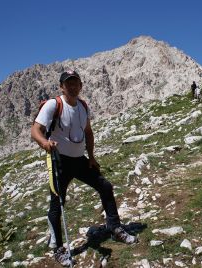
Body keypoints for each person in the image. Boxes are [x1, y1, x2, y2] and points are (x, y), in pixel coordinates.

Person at [31, 70, 137, 266]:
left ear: (80, 86)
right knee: (57, 205)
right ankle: (59, 249)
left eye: (75, 83)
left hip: (79, 160)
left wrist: (92, 157)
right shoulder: (54, 105)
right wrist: (44, 143)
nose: (72, 86)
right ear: (62, 86)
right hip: (59, 161)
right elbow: (35, 130)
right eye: (68, 83)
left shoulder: (82, 106)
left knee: (105, 186)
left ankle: (114, 228)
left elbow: (88, 133)